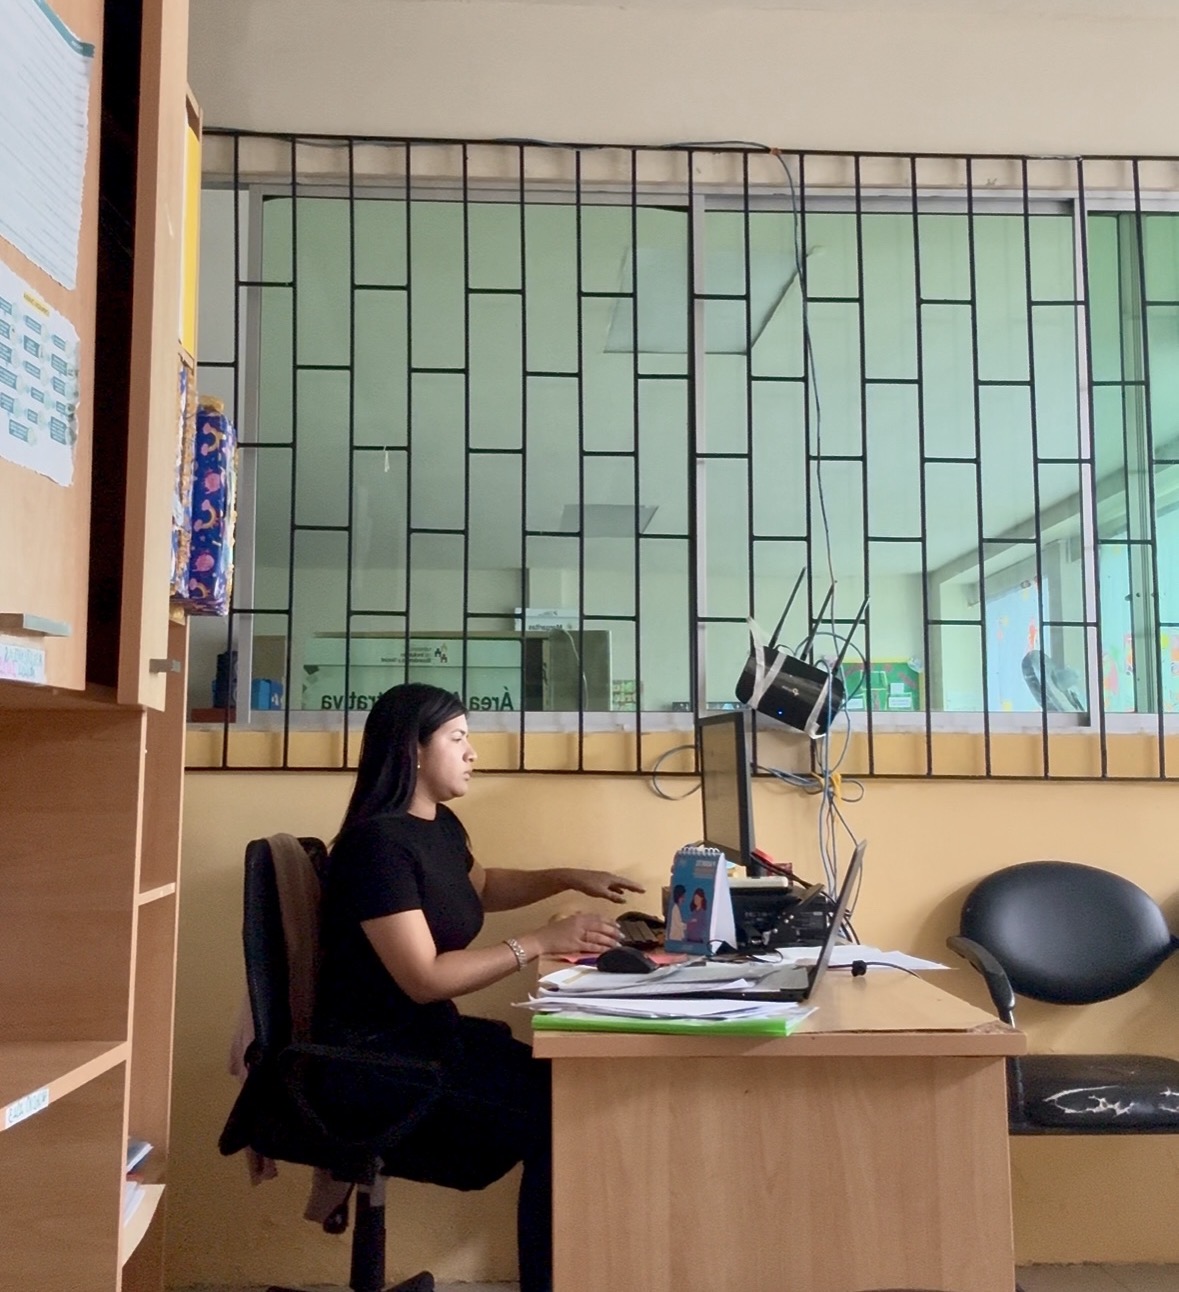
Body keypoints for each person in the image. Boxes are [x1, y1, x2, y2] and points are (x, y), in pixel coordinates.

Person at [312, 683, 644, 1292]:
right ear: (413, 750)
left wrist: (565, 877)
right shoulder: (376, 848)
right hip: (377, 1062)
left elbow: (480, 886)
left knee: (566, 1086)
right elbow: (425, 979)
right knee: (558, 1112)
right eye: (458, 738)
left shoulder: (437, 825)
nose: (472, 753)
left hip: (428, 1041)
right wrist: (538, 942)